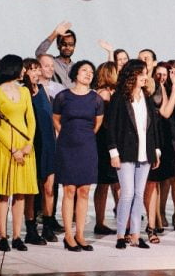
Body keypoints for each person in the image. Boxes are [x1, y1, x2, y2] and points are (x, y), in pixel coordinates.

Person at [105, 59, 161, 249]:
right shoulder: (119, 98)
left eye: (146, 73)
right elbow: (110, 127)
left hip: (145, 152)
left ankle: (136, 235)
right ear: (132, 75)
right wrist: (113, 152)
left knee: (139, 194)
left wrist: (156, 150)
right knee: (127, 193)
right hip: (125, 152)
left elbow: (153, 127)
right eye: (142, 73)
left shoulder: (147, 97)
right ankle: (121, 235)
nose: (145, 77)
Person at [52, 60, 104, 252]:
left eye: (91, 71)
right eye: (84, 70)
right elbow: (56, 119)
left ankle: (80, 234)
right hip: (67, 146)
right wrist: (67, 134)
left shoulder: (96, 99)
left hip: (87, 147)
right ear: (75, 74)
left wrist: (84, 136)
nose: (88, 74)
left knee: (84, 191)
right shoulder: (63, 96)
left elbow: (97, 124)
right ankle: (68, 235)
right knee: (69, 190)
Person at [0, 55, 38, 251]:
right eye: (21, 67)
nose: (24, 71)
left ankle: (17, 236)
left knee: (20, 193)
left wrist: (28, 144)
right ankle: (3, 235)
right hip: (5, 147)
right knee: (3, 193)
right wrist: (13, 149)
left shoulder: (24, 91)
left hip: (24, 145)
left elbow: (31, 119)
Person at [145, 62, 175, 242]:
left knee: (174, 178)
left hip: (169, 136)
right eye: (159, 74)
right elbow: (164, 112)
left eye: (164, 74)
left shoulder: (167, 88)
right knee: (155, 182)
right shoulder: (149, 88)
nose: (161, 77)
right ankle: (156, 218)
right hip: (153, 137)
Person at [21, 59, 52, 245]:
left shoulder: (42, 89)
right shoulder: (23, 91)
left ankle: (48, 225)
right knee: (32, 190)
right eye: (32, 69)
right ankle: (31, 229)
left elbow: (49, 115)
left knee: (48, 187)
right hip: (33, 143)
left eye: (37, 69)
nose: (36, 72)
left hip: (48, 142)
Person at [92, 61, 120, 235]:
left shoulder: (107, 92)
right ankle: (100, 222)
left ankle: (103, 221)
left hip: (105, 142)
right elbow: (106, 122)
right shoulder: (104, 94)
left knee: (111, 183)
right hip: (104, 143)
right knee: (105, 184)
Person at [35, 20, 76, 87]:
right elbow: (39, 53)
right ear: (58, 45)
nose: (67, 47)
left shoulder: (77, 67)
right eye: (64, 44)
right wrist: (55, 33)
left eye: (71, 44)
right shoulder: (52, 62)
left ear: (74, 47)